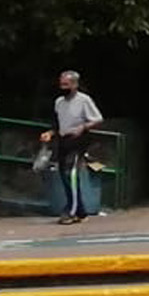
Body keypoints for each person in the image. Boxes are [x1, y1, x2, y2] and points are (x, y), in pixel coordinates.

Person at [39, 70, 103, 225]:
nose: (63, 87)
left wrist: (82, 127)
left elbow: (97, 119)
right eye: (61, 84)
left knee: (72, 174)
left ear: (74, 84)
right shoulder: (59, 102)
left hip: (78, 140)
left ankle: (72, 210)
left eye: (66, 84)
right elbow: (57, 122)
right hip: (63, 140)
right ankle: (80, 210)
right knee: (64, 175)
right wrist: (50, 132)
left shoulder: (83, 100)